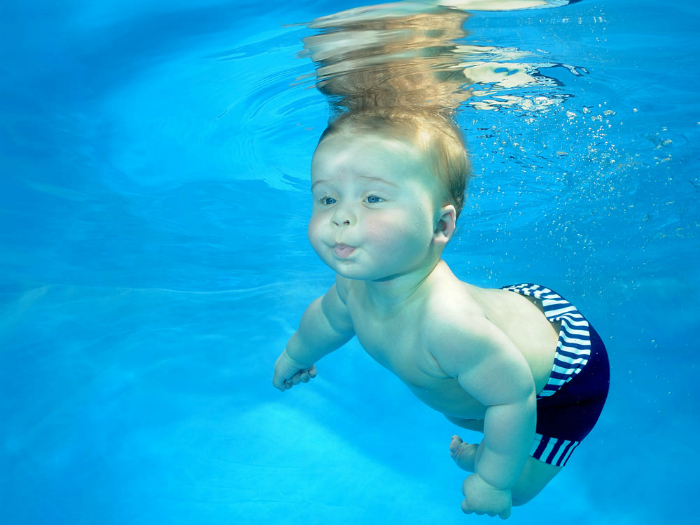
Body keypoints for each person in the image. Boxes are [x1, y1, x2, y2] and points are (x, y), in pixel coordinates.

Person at [273, 4, 609, 520]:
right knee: (476, 403)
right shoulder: (354, 288)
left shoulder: (449, 327)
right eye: (326, 199)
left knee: (516, 480)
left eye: (373, 200)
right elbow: (327, 320)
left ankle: (500, 461)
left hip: (567, 369)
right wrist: (296, 353)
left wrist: (493, 481)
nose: (341, 219)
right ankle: (495, 446)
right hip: (513, 321)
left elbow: (513, 400)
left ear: (442, 227)